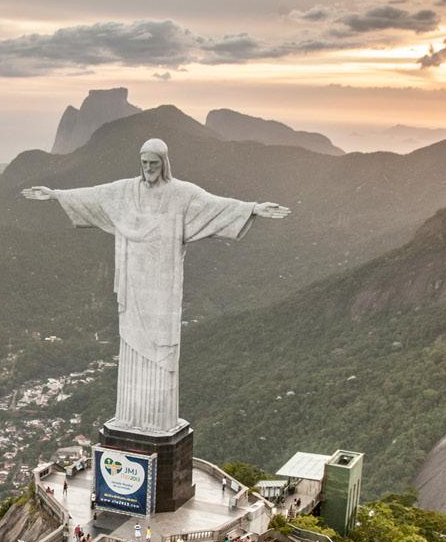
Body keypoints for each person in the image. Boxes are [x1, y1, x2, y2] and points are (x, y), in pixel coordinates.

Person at [22, 140, 289, 435]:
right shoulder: (125, 191)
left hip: (162, 288)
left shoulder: (180, 194)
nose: (149, 168)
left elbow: (215, 205)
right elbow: (94, 196)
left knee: (161, 349)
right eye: (145, 163)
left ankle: (157, 421)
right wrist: (56, 195)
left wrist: (253, 209)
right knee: (131, 345)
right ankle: (129, 418)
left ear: (164, 163)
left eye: (154, 163)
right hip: (133, 283)